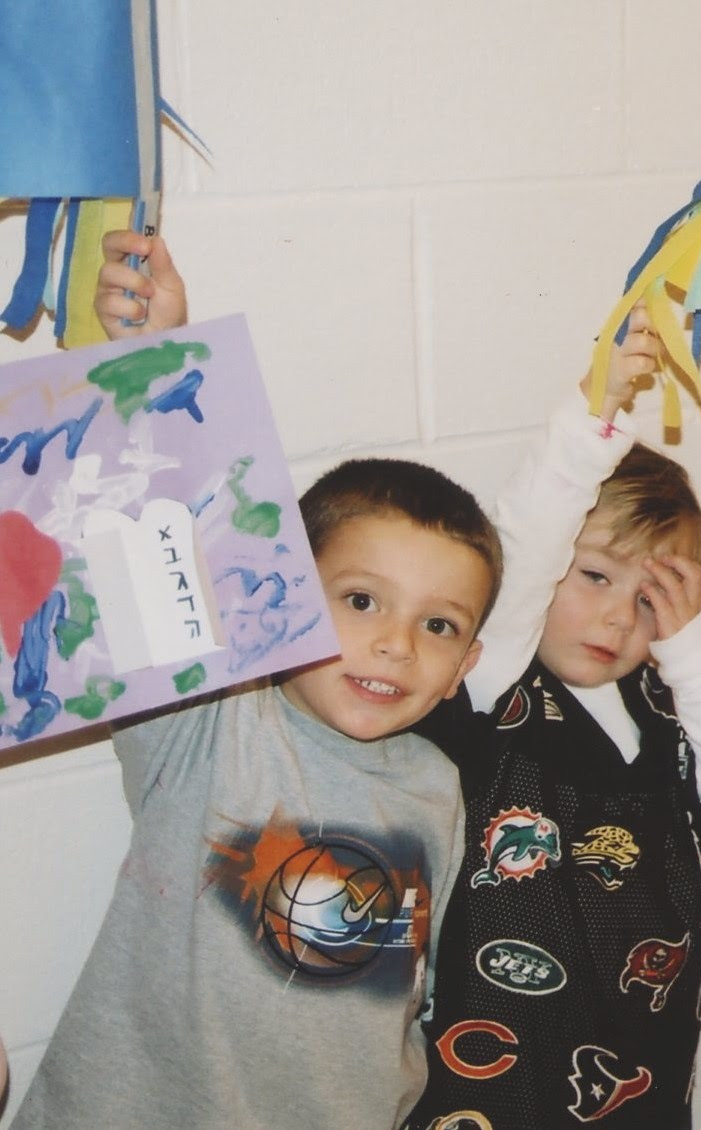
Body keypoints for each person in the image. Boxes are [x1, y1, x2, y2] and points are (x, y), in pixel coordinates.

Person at [13, 231, 501, 1127]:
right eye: (361, 600)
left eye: (438, 625)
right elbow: (136, 529)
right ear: (285, 589)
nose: (396, 644)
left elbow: (406, 995)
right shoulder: (214, 718)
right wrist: (144, 358)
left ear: (465, 666)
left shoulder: (439, 788)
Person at [404, 304, 701, 1130]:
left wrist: (691, 649)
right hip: (491, 1075)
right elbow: (525, 541)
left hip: (637, 1076)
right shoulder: (492, 680)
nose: (618, 620)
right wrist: (592, 410)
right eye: (596, 578)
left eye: (649, 596)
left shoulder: (665, 701)